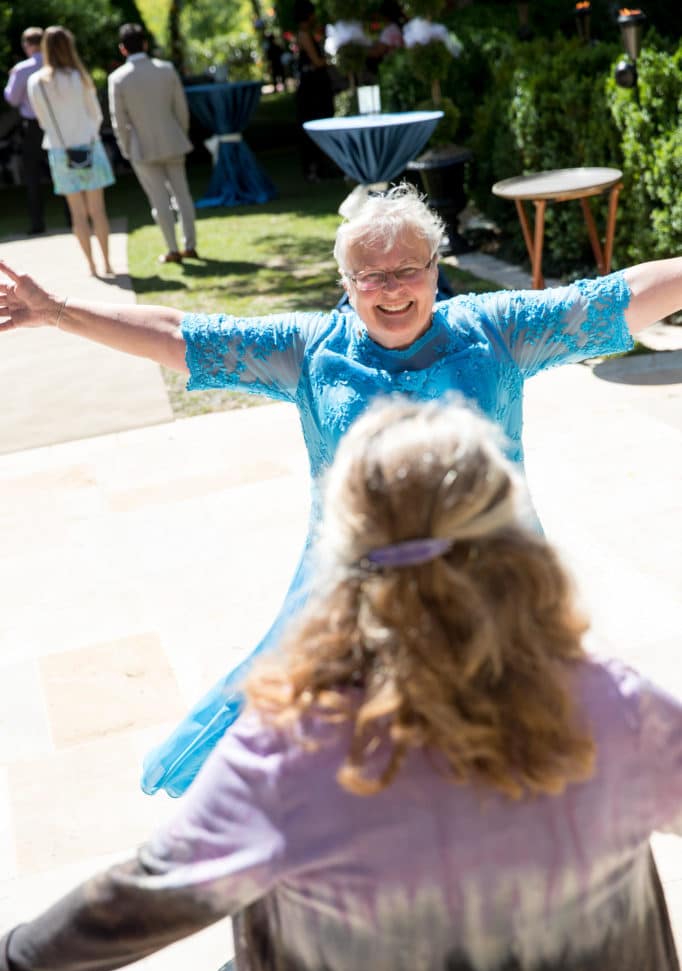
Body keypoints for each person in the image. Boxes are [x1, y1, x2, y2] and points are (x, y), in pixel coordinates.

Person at [0, 398, 681, 971]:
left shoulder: (288, 750)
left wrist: (13, 970)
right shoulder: (617, 710)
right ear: (516, 545)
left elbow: (149, 894)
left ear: (341, 553)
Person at [0, 182, 681, 799]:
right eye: (370, 275)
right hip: (354, 609)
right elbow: (182, 334)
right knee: (364, 787)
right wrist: (57, 310)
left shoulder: (495, 331)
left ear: (436, 270)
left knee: (510, 778)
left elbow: (614, 301)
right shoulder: (311, 349)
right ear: (346, 283)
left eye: (408, 270)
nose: (391, 289)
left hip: (493, 596)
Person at [108, 23, 198, 265]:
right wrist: (181, 133)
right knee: (183, 195)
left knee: (159, 201)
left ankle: (173, 249)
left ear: (122, 49)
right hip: (173, 139)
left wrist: (127, 148)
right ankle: (189, 245)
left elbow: (119, 121)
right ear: (145, 44)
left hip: (142, 148)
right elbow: (181, 109)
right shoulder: (166, 70)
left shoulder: (118, 79)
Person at [28, 26, 114, 277]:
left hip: (59, 151)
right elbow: (96, 114)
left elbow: (42, 121)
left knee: (77, 214)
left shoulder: (37, 82)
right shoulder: (79, 77)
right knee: (98, 211)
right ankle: (108, 262)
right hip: (89, 146)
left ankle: (91, 266)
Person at [3, 27, 46, 236]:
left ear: (27, 45)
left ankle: (37, 222)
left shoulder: (22, 69)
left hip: (33, 126)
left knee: (32, 176)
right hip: (55, 126)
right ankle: (73, 216)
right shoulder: (55, 62)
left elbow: (12, 98)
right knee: (62, 171)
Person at [294, 0, 334, 182]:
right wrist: (333, 59)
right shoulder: (303, 35)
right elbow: (316, 62)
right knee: (314, 123)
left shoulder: (307, 34)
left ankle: (321, 166)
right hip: (313, 89)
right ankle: (314, 168)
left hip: (316, 86)